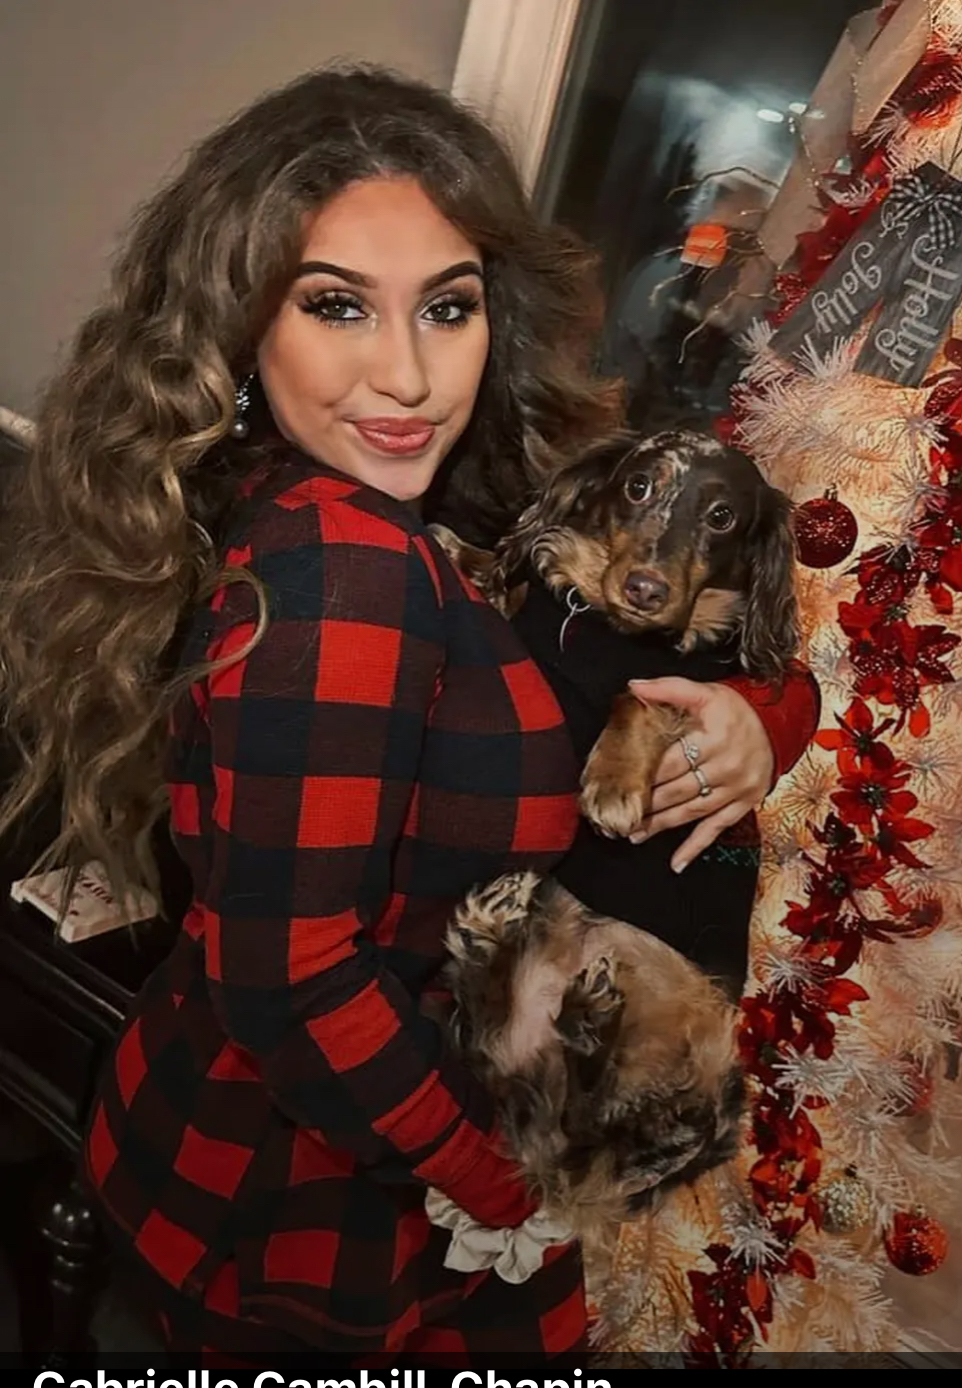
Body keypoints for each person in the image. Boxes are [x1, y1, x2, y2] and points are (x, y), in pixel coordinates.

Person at [0, 65, 819, 1362]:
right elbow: (292, 978)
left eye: (447, 307)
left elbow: (644, 646)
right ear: (241, 325)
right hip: (315, 1215)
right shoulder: (348, 566)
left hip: (311, 1159)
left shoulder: (391, 499)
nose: (406, 375)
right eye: (336, 305)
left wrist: (761, 719)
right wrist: (505, 1183)